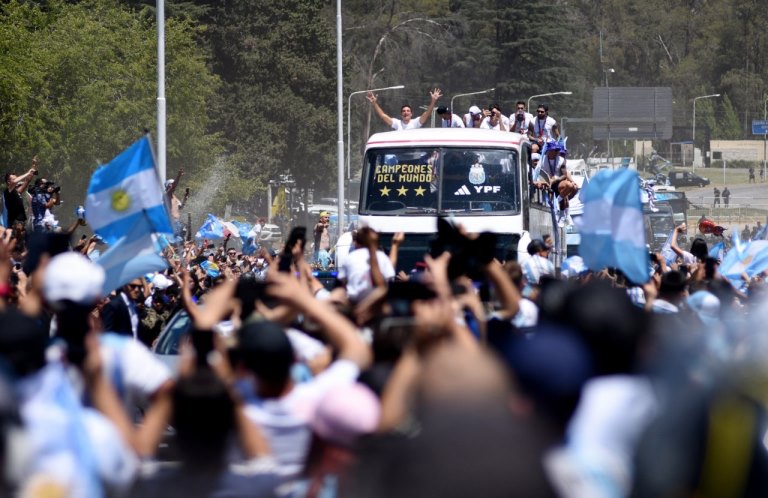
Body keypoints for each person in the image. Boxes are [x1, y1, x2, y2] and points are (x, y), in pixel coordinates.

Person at [367, 88, 442, 131]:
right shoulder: (397, 123)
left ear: (411, 114)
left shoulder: (415, 123)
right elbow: (383, 116)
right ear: (401, 114)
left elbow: (427, 113)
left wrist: (433, 101)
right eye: (403, 111)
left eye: (408, 111)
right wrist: (374, 104)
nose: (406, 112)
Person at [3, 156, 38, 227]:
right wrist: (28, 172)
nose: (17, 181)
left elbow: (27, 180)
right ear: (8, 182)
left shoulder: (17, 191)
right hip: (15, 222)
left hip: (21, 222)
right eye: (14, 179)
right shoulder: (7, 191)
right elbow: (15, 182)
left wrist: (33, 166)